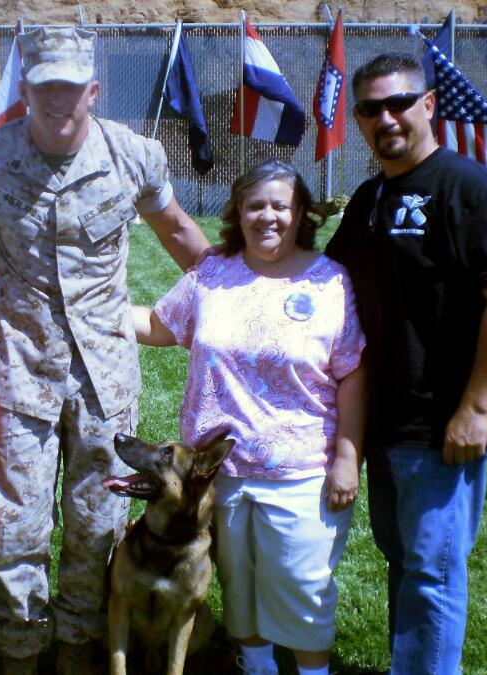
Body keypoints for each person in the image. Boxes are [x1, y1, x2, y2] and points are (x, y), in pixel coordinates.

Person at [0, 25, 211, 675]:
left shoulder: (133, 157)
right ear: (25, 88)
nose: (58, 100)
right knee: (17, 531)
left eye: (71, 87)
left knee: (97, 528)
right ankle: (18, 653)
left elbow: (179, 232)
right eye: (45, 87)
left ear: (93, 89)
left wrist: (243, 300)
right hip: (20, 374)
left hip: (105, 381)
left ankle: (76, 650)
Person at [325, 54, 487, 675]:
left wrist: (475, 409)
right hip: (385, 420)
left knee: (432, 570)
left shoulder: (464, 186)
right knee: (404, 559)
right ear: (359, 119)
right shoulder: (369, 197)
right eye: (370, 109)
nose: (385, 118)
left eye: (399, 103)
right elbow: (333, 281)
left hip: (443, 423)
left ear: (428, 106)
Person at [134, 161, 367, 675]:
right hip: (219, 473)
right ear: (238, 212)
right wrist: (84, 308)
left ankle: (312, 669)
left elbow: (352, 371)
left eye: (280, 206)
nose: (268, 217)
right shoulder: (213, 274)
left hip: (301, 468)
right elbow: (158, 324)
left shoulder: (330, 280)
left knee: (301, 583)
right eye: (255, 205)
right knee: (237, 579)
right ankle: (256, 664)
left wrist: (348, 456)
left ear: (300, 212)